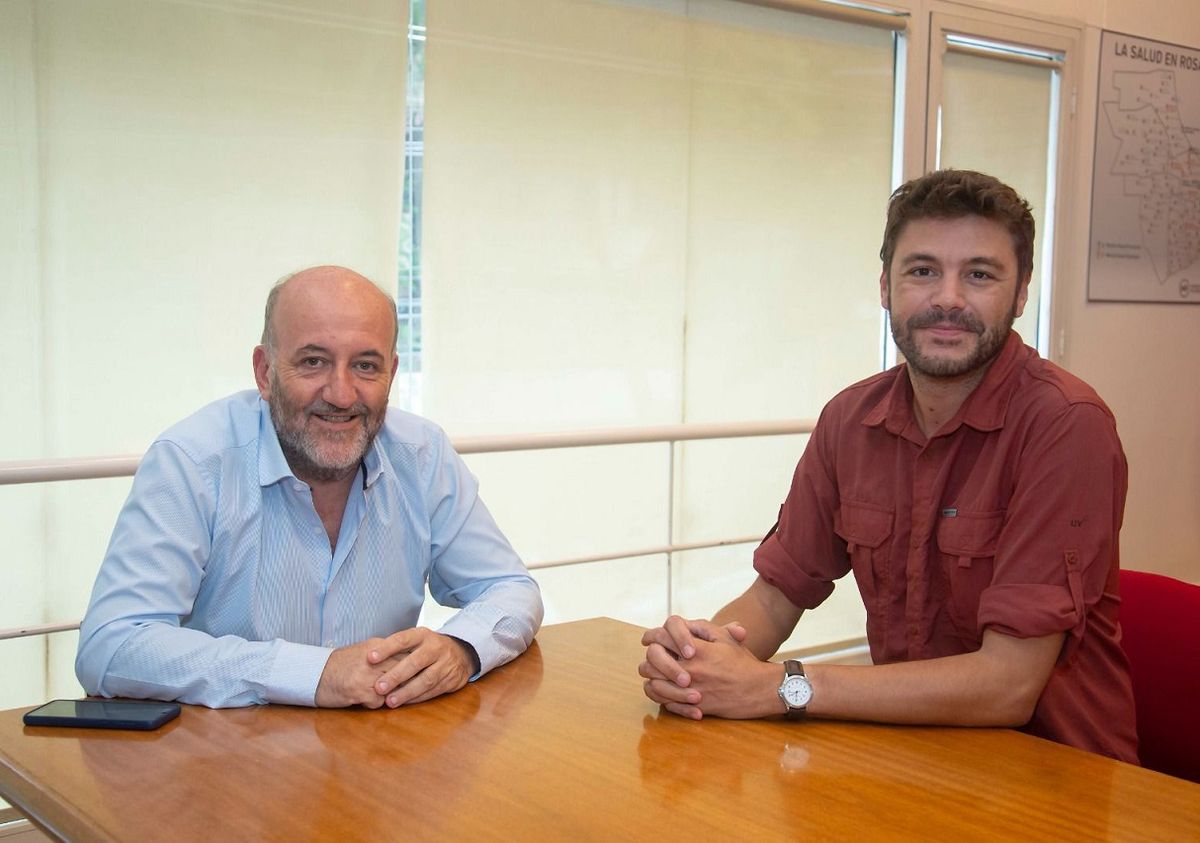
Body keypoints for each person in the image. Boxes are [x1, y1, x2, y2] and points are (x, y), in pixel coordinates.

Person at [639, 170, 1138, 763]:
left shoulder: (1066, 424)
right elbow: (775, 596)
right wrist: (698, 661)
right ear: (885, 286)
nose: (948, 298)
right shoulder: (851, 420)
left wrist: (782, 686)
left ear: (1021, 292)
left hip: (1054, 775)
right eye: (922, 271)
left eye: (979, 274)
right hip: (908, 760)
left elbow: (1009, 686)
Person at [77, 266, 543, 709]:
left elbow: (509, 589)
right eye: (314, 361)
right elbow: (112, 644)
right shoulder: (193, 461)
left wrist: (460, 649)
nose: (341, 394)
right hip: (229, 761)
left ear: (392, 375)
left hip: (378, 753)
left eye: (365, 365)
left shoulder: (422, 455)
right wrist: (314, 674)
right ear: (265, 372)